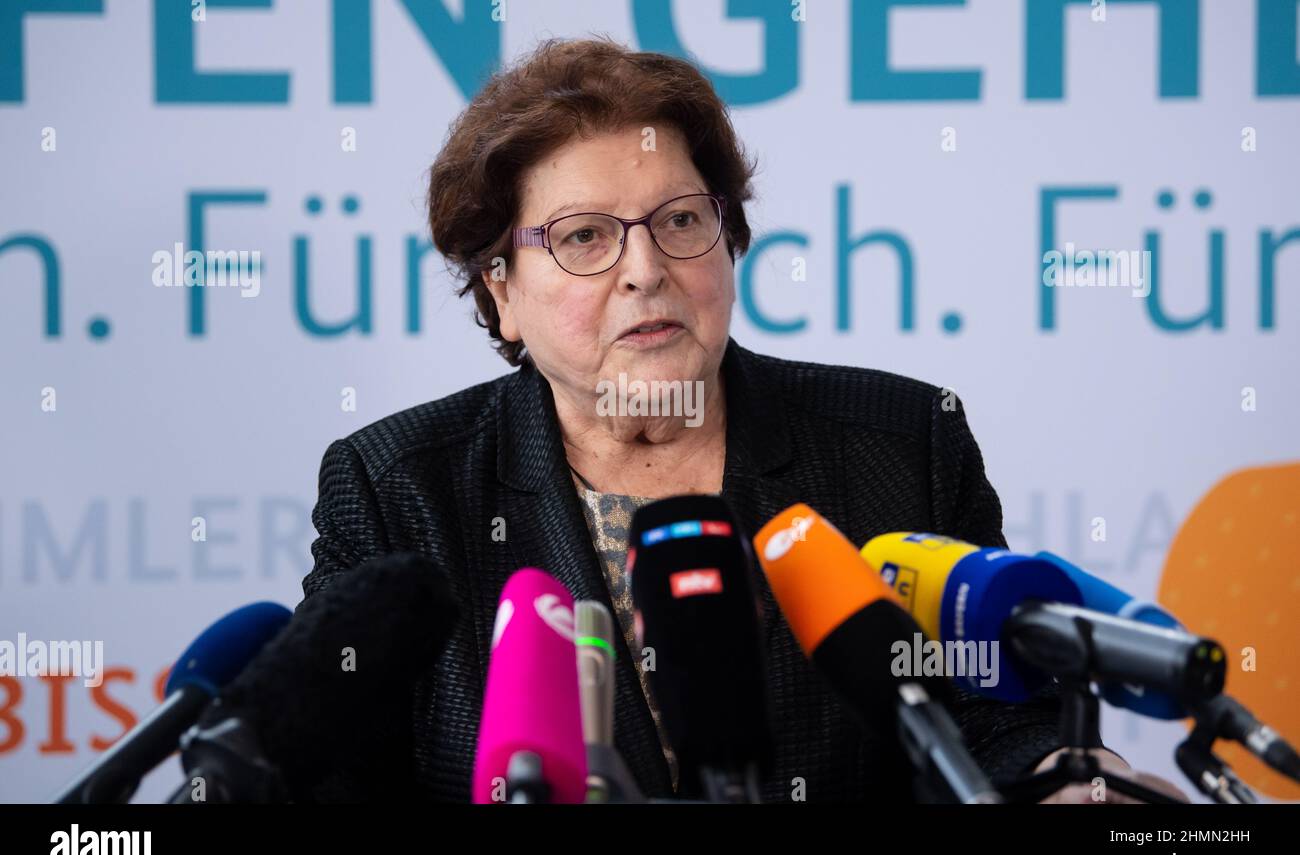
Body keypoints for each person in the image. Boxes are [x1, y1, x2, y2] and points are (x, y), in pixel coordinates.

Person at [303, 36, 1181, 803]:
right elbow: (326, 774)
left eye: (681, 220)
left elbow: (995, 719)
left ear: (730, 241)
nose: (645, 269)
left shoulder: (900, 442)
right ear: (501, 293)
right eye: (583, 237)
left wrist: (1067, 782)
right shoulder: (397, 490)